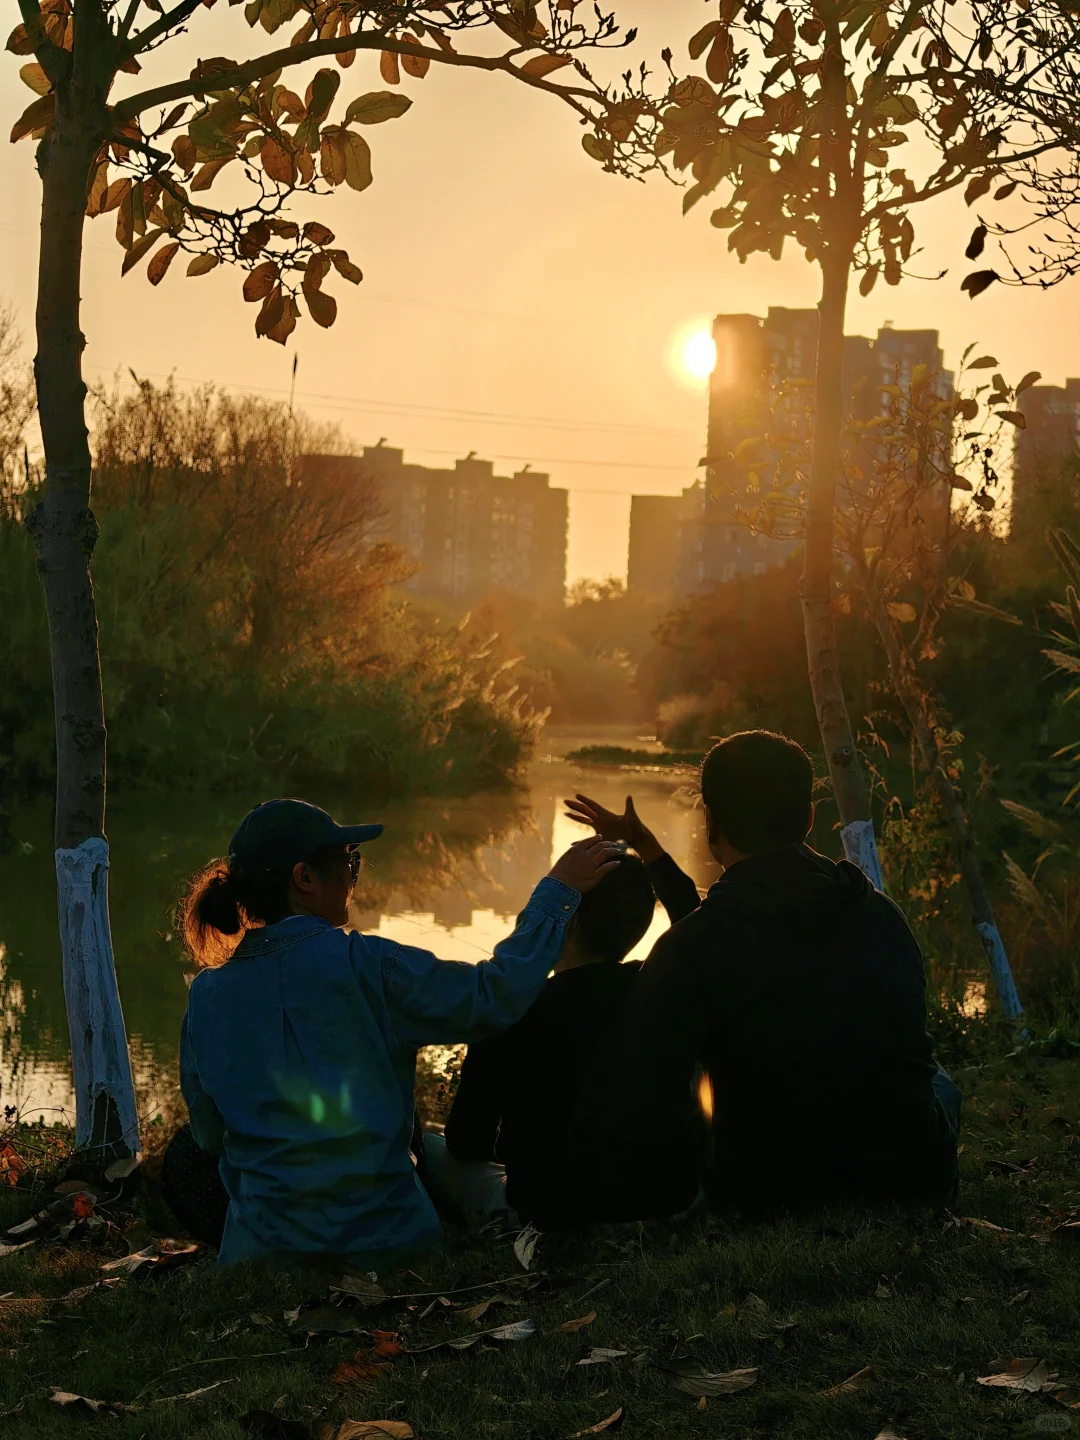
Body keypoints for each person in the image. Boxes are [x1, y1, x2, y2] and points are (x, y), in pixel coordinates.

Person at [166, 796, 621, 1265]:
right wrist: (557, 893)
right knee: (415, 1142)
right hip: (389, 1242)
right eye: (350, 862)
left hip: (261, 1254)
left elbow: (211, 1134)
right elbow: (492, 997)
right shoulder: (371, 966)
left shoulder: (207, 995)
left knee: (187, 1155)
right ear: (305, 879)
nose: (353, 875)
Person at [551, 729, 962, 1225]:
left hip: (775, 1191)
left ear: (710, 823)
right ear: (810, 818)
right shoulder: (880, 914)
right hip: (917, 1178)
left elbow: (632, 1105)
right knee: (939, 1082)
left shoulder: (696, 948)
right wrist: (648, 847)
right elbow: (720, 929)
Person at [423, 851, 660, 1228]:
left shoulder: (511, 1011)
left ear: (571, 919)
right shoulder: (662, 995)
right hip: (654, 1201)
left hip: (549, 1211)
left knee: (430, 1146)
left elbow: (467, 1142)